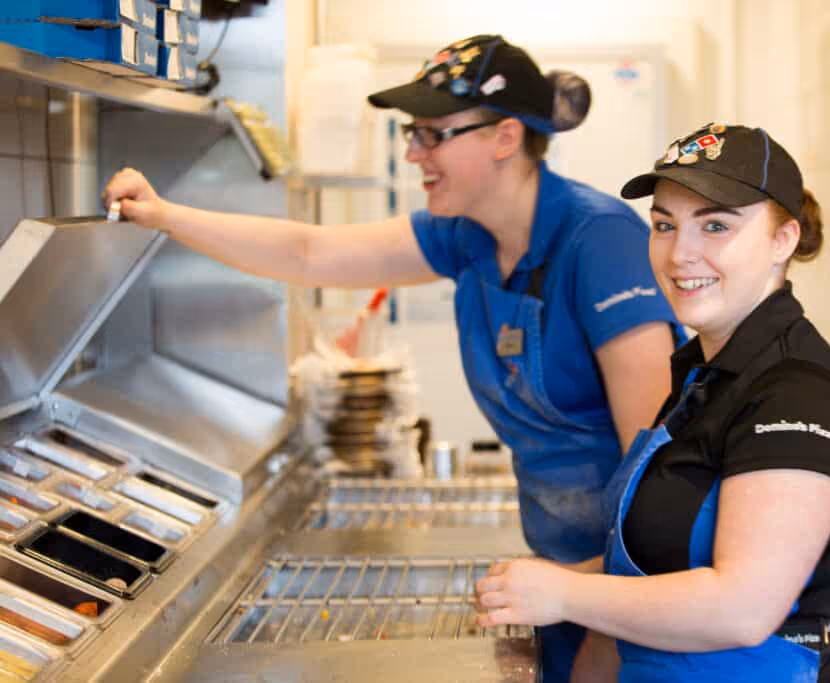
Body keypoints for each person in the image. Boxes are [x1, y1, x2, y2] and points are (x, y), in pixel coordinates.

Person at [102, 34, 682, 682]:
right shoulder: (467, 236)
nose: (412, 153)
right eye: (413, 132)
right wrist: (163, 215)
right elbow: (308, 255)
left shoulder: (599, 243)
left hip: (636, 597)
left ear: (505, 136)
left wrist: (607, 622)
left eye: (434, 135)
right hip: (562, 580)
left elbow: (658, 474)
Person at [475, 124, 830, 682]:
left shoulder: (796, 392)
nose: (680, 253)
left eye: (715, 225)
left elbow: (744, 608)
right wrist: (561, 584)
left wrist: (565, 594)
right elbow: (657, 558)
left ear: (783, 239)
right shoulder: (704, 372)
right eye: (664, 225)